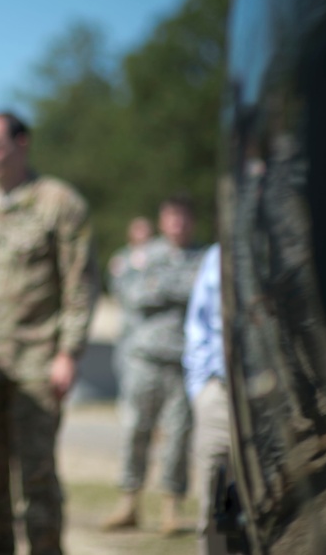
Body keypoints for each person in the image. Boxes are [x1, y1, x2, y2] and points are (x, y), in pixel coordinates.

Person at [0, 111, 98, 555]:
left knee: (37, 480)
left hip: (36, 366)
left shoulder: (59, 203)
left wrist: (69, 353)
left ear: (23, 143)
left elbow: (79, 284)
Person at [102, 194, 204, 535]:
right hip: (144, 358)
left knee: (178, 437)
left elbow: (203, 294)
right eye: (171, 216)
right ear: (162, 221)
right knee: (135, 431)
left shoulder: (205, 258)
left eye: (184, 217)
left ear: (192, 221)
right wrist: (179, 289)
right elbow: (132, 294)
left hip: (184, 361)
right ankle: (128, 504)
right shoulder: (142, 256)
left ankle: (171, 510)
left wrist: (160, 287)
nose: (178, 223)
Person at [183, 243, 232, 555]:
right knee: (215, 501)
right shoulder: (217, 256)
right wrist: (200, 389)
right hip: (220, 395)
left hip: (278, 402)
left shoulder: (296, 243)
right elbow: (198, 325)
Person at [108, 216, 155, 385]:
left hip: (153, 329)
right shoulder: (122, 258)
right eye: (137, 229)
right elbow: (118, 290)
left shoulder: (158, 257)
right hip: (130, 328)